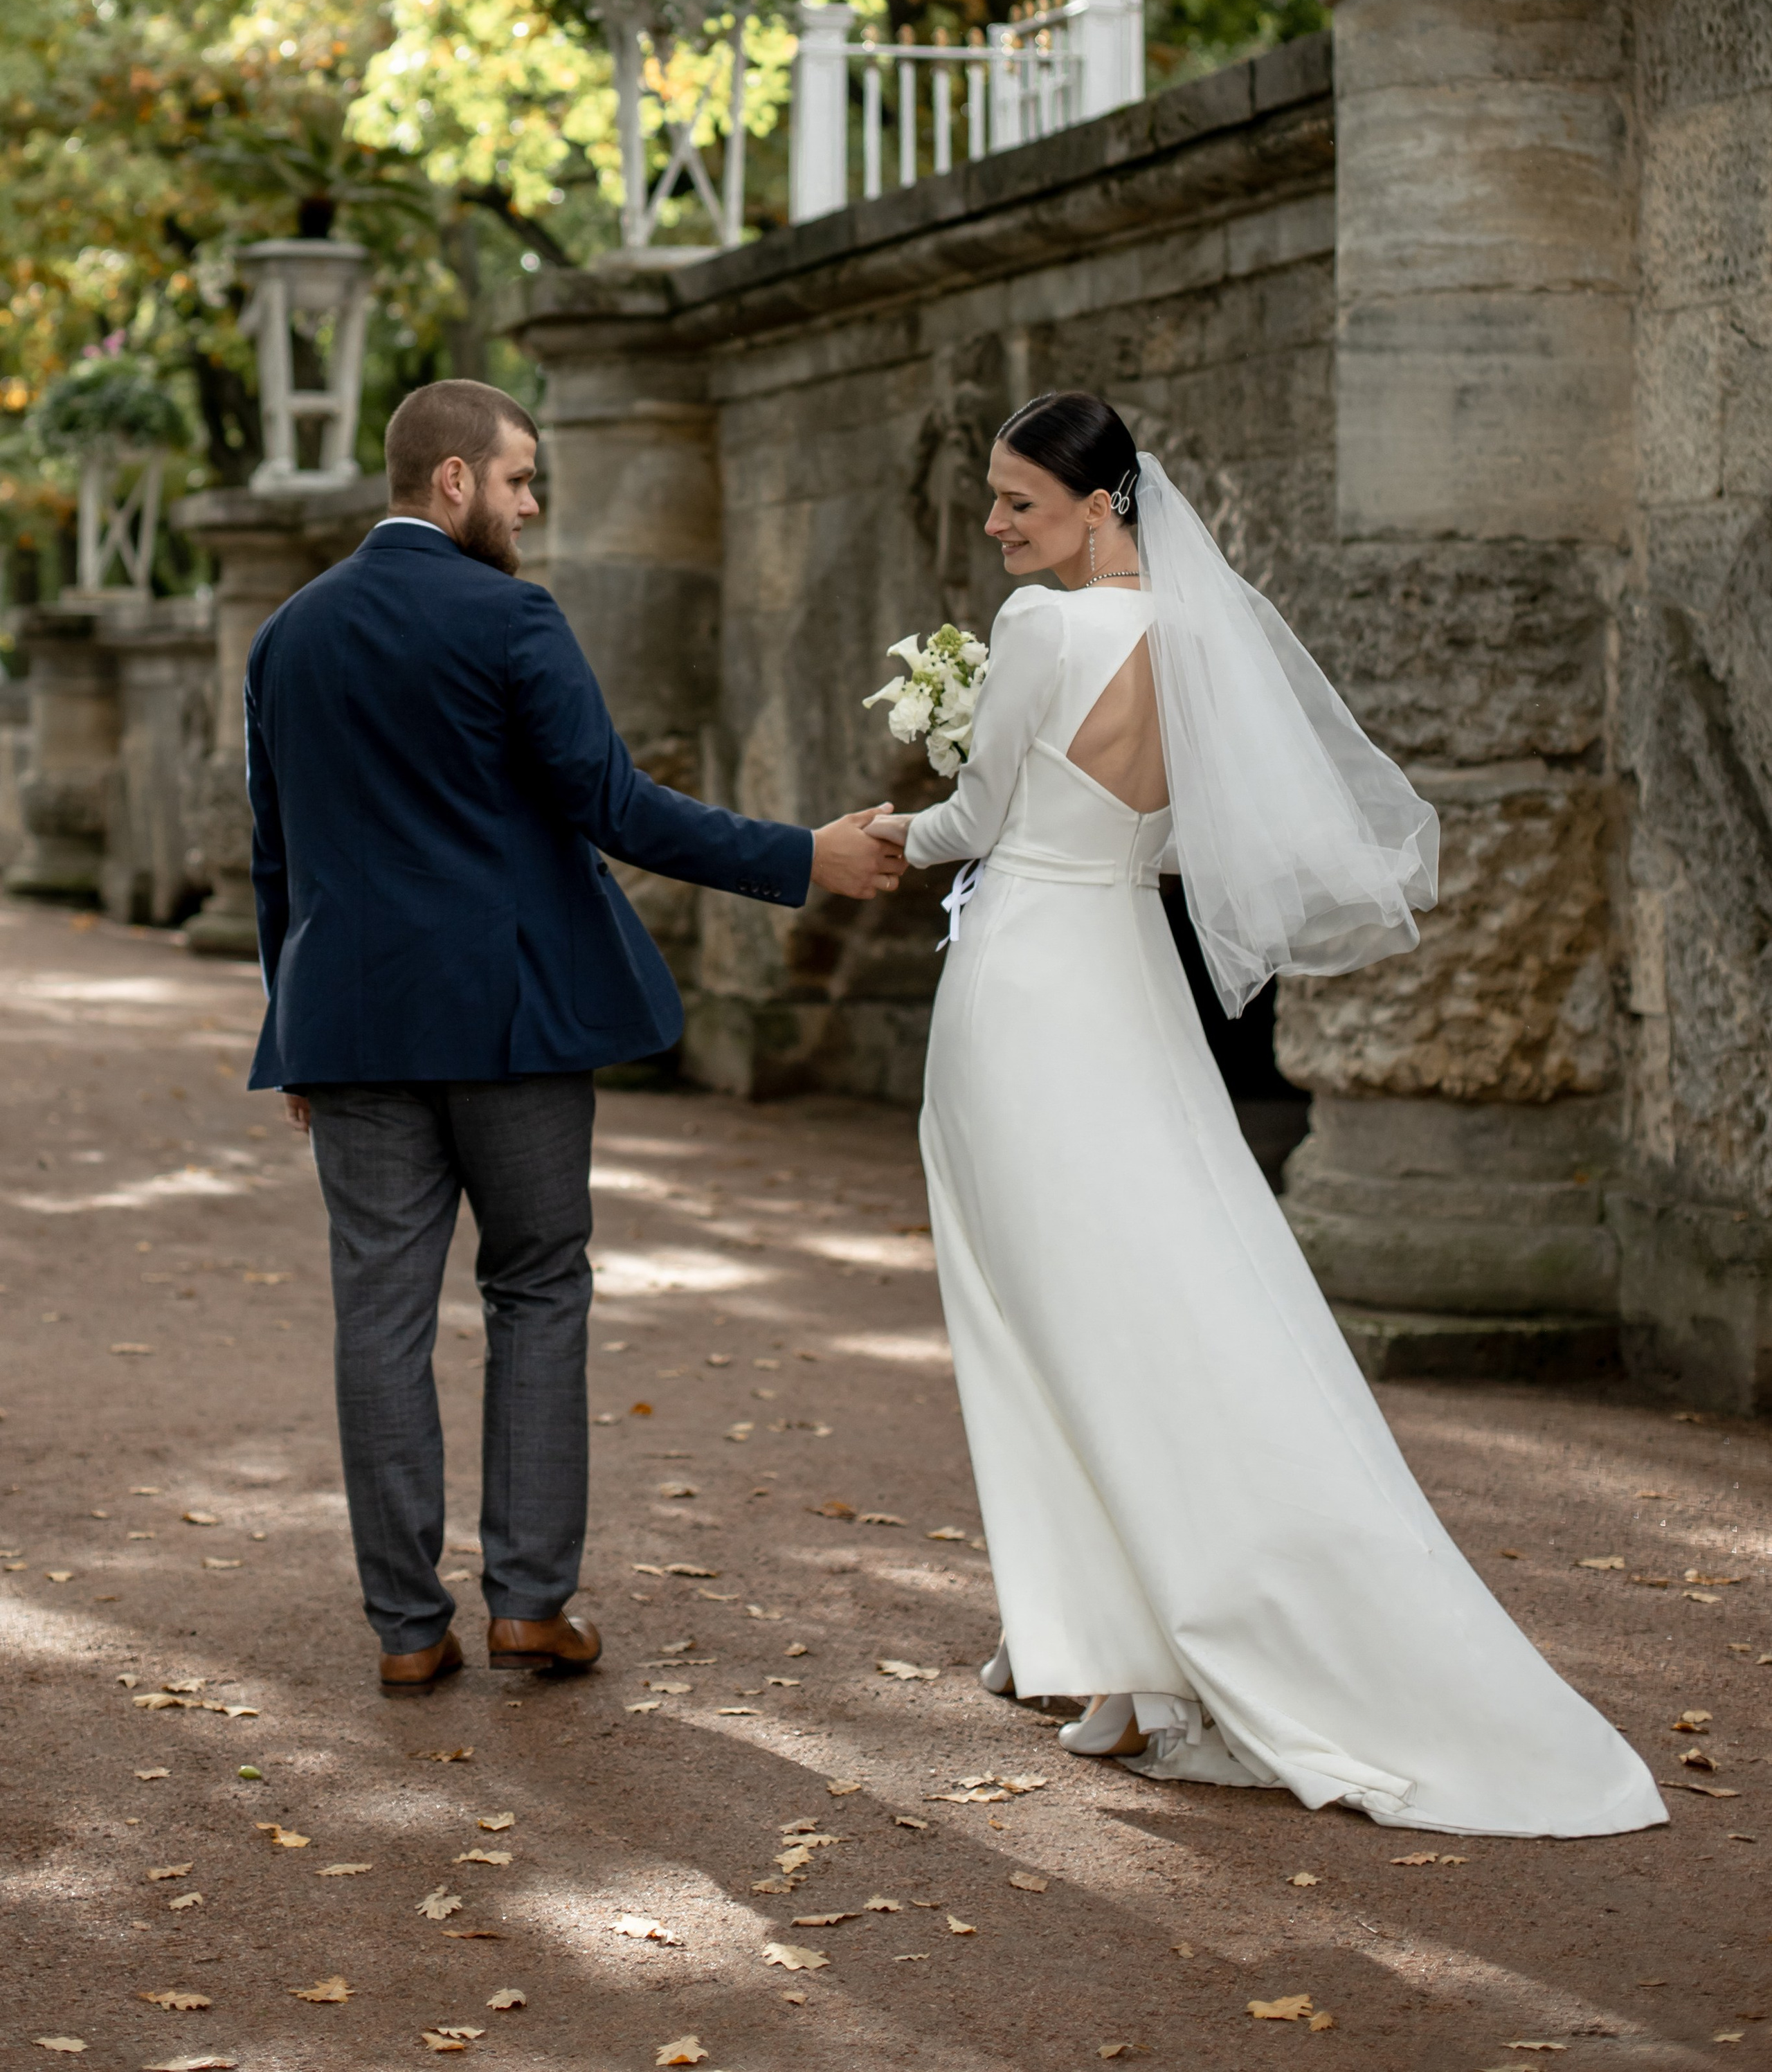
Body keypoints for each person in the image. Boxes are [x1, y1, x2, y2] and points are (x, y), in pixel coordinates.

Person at [865, 390, 1664, 1837]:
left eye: (1019, 504)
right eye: (992, 498)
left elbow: (979, 823)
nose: (995, 525)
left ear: (1099, 504)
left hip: (1030, 975)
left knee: (1041, 1306)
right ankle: (1127, 1670)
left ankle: (1124, 1657)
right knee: (1150, 1286)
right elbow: (1172, 845)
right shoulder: (1194, 637)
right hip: (1123, 974)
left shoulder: (1047, 632)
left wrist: (875, 839)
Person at [244, 378, 905, 1693]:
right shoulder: (509, 617)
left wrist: (294, 1020)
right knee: (538, 1290)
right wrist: (803, 856)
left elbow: (278, 858)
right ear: (451, 482)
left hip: (354, 1026)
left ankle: (405, 1631)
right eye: (519, 480)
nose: (533, 507)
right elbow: (615, 805)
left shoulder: (287, 637)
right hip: (516, 1021)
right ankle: (531, 1605)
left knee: (378, 1314)